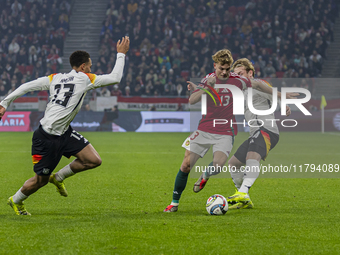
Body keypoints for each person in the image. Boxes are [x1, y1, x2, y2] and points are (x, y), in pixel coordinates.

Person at [0, 36, 130, 216]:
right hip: (46, 138)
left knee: (94, 160)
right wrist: (121, 54)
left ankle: (59, 177)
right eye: (90, 66)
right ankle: (16, 200)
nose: (91, 69)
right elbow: (115, 78)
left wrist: (5, 103)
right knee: (40, 181)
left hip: (64, 133)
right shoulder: (86, 78)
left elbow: (26, 86)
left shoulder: (55, 78)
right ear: (83, 67)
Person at [163, 49, 285, 213]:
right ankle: (174, 203)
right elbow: (193, 99)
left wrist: (285, 101)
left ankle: (237, 190)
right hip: (205, 128)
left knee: (220, 165)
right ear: (215, 66)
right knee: (187, 165)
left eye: (229, 70)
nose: (226, 72)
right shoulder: (209, 79)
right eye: (223, 69)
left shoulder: (241, 81)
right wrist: (205, 87)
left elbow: (259, 86)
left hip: (228, 130)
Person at [193, 58, 292, 209]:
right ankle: (244, 200)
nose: (238, 76)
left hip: (267, 130)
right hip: (255, 133)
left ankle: (244, 192)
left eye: (241, 73)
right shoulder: (240, 90)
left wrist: (284, 103)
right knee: (234, 163)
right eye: (236, 74)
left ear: (250, 73)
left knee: (252, 157)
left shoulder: (259, 85)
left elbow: (273, 94)